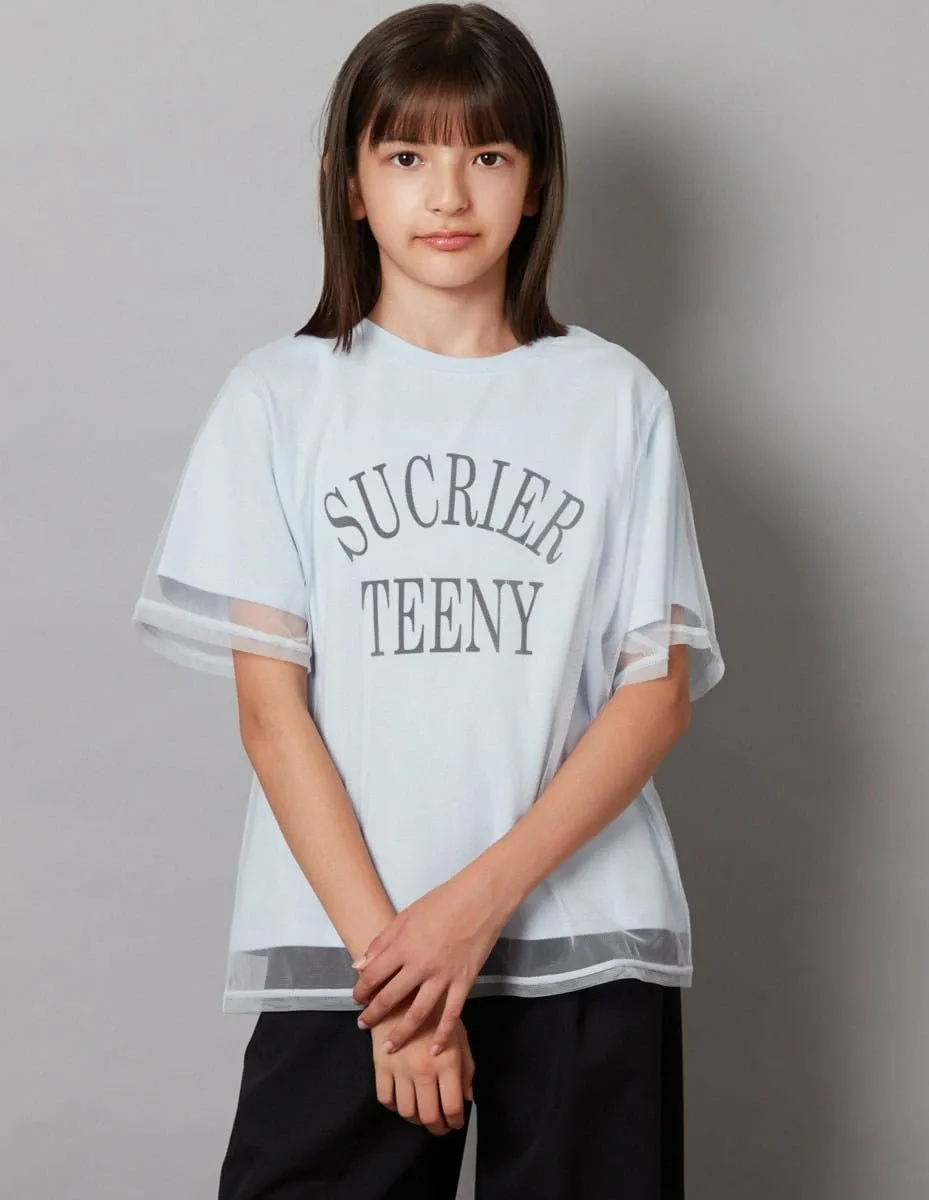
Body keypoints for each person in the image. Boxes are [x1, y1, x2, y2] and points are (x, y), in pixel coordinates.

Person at [131, 3, 725, 1196]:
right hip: (353, 944)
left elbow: (652, 696)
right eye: (406, 155)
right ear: (348, 183)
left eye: (487, 155)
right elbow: (271, 715)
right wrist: (396, 975)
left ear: (536, 182)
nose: (447, 194)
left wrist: (467, 914)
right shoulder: (279, 400)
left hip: (576, 933)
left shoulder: (613, 400)